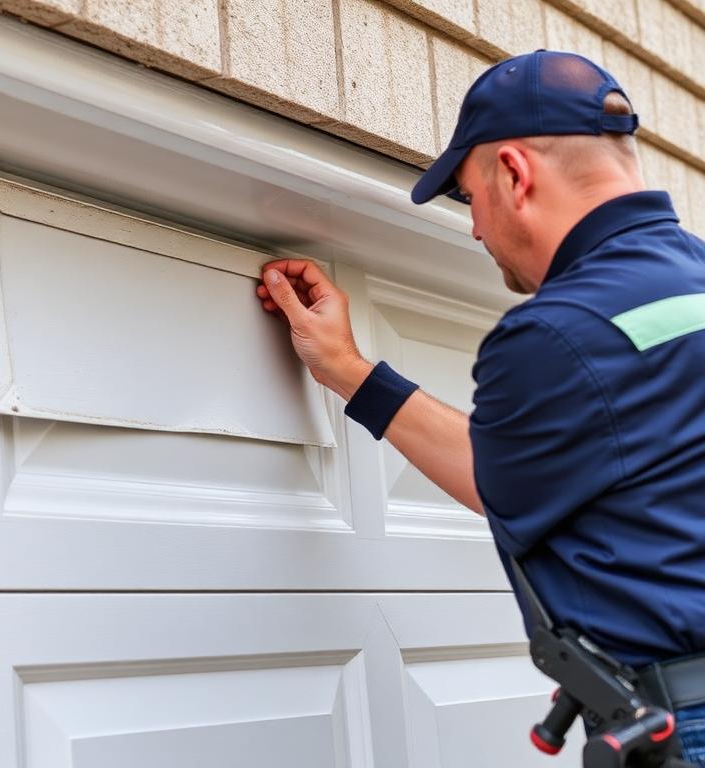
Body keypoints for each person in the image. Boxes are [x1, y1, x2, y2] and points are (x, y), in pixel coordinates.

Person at [256, 50, 705, 765]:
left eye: (469, 199)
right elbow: (545, 464)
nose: (474, 230)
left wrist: (343, 369)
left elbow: (491, 478)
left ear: (515, 174)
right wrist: (348, 368)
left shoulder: (556, 333)